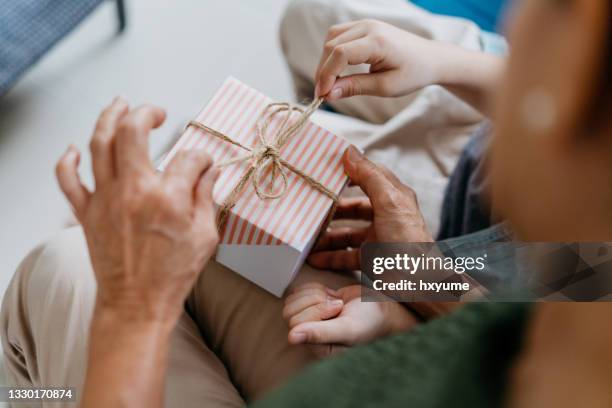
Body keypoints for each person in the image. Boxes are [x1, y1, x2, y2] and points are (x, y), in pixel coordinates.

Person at [2, 1, 612, 408]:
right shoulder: (573, 287)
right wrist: (415, 283)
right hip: (474, 272)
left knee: (64, 269)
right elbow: (575, 278)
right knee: (314, 18)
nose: (517, 16)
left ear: (573, 91)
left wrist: (132, 312)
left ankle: (39, 389)